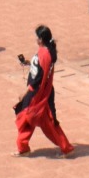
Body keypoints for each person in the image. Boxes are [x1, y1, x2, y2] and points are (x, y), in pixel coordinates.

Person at [14, 25, 74, 157]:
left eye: (36, 37)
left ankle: (65, 147)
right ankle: (23, 147)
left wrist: (25, 93)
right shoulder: (45, 51)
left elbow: (40, 78)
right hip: (42, 93)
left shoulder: (45, 54)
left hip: (38, 94)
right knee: (36, 120)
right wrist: (29, 63)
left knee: (28, 118)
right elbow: (40, 69)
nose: (35, 39)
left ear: (40, 39)